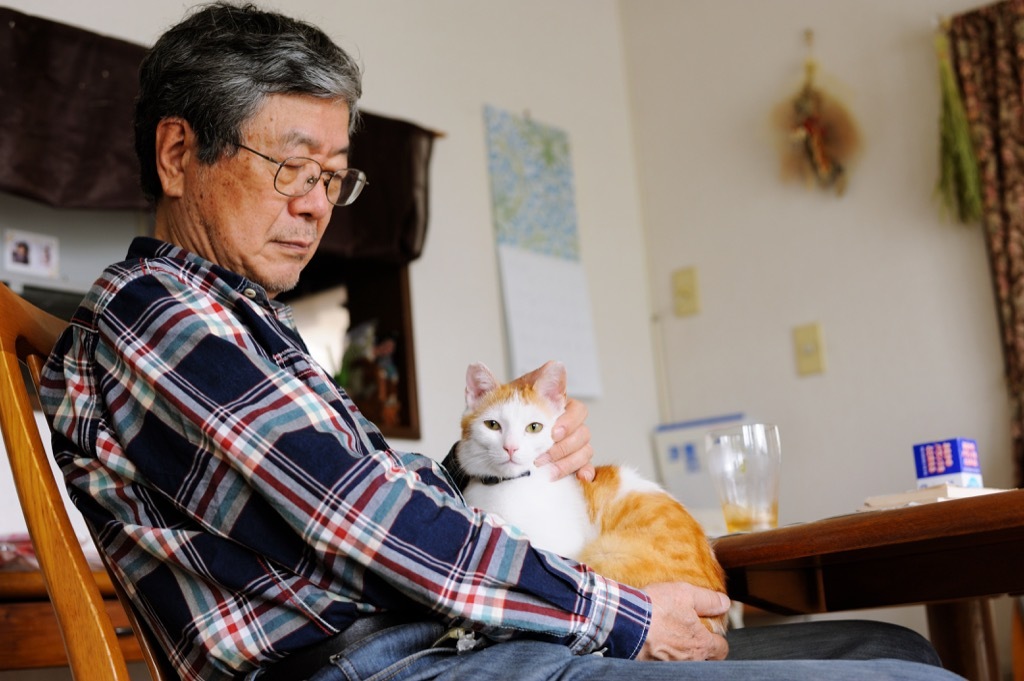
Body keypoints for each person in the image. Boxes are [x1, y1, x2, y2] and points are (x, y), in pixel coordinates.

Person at [38, 4, 962, 681]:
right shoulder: (158, 311)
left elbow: (357, 506)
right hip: (380, 669)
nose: (316, 203)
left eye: (332, 175)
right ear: (176, 154)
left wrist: (493, 467)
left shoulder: (239, 316)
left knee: (892, 645)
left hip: (436, 643)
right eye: (289, 166)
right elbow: (359, 520)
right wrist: (625, 614)